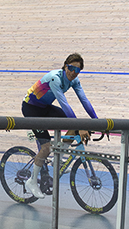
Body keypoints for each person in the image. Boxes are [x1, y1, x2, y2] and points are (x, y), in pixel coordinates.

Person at [20, 53, 99, 197]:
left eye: (77, 70)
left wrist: (97, 120)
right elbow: (65, 104)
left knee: (72, 127)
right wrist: (80, 126)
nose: (73, 73)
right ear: (64, 66)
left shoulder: (75, 81)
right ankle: (31, 181)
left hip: (45, 107)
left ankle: (59, 159)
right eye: (71, 68)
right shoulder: (54, 78)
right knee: (46, 147)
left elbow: (85, 101)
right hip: (31, 108)